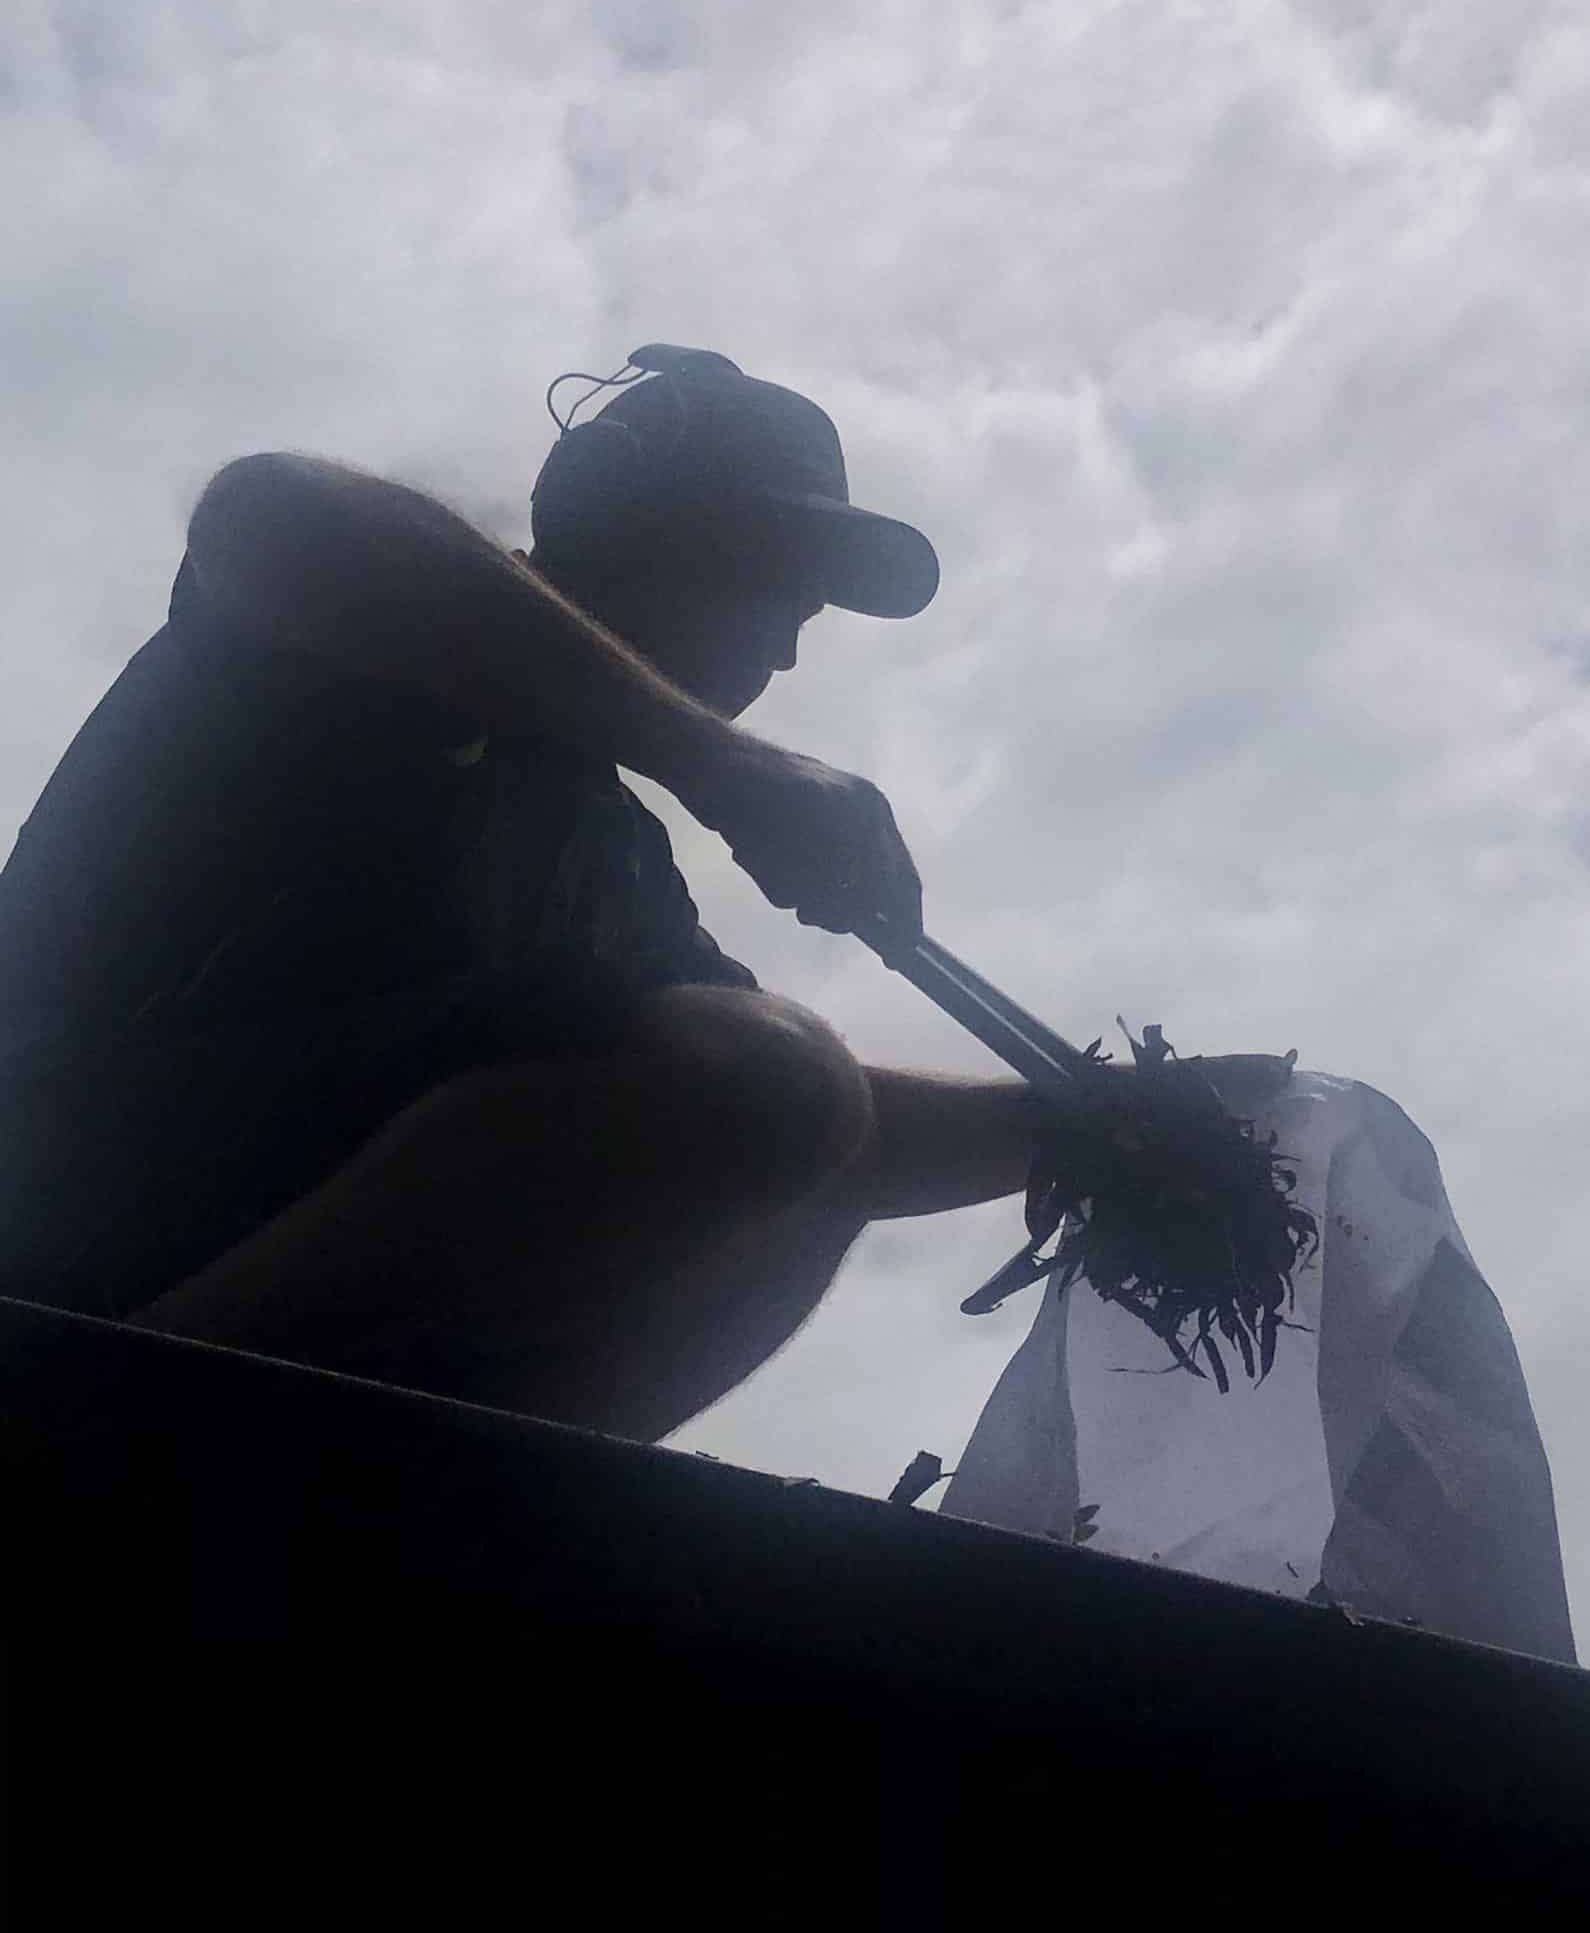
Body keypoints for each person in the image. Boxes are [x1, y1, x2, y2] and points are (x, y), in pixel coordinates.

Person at [0, 343, 1051, 1439]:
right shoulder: (351, 638)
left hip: (256, 1281)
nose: (789, 650)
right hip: (61, 1231)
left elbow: (835, 1125)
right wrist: (714, 758)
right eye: (781, 583)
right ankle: (90, 1433)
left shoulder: (605, 857)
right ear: (670, 535)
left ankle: (466, 1514)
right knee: (782, 1088)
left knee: (816, 1158)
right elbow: (265, 510)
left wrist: (1072, 1131)